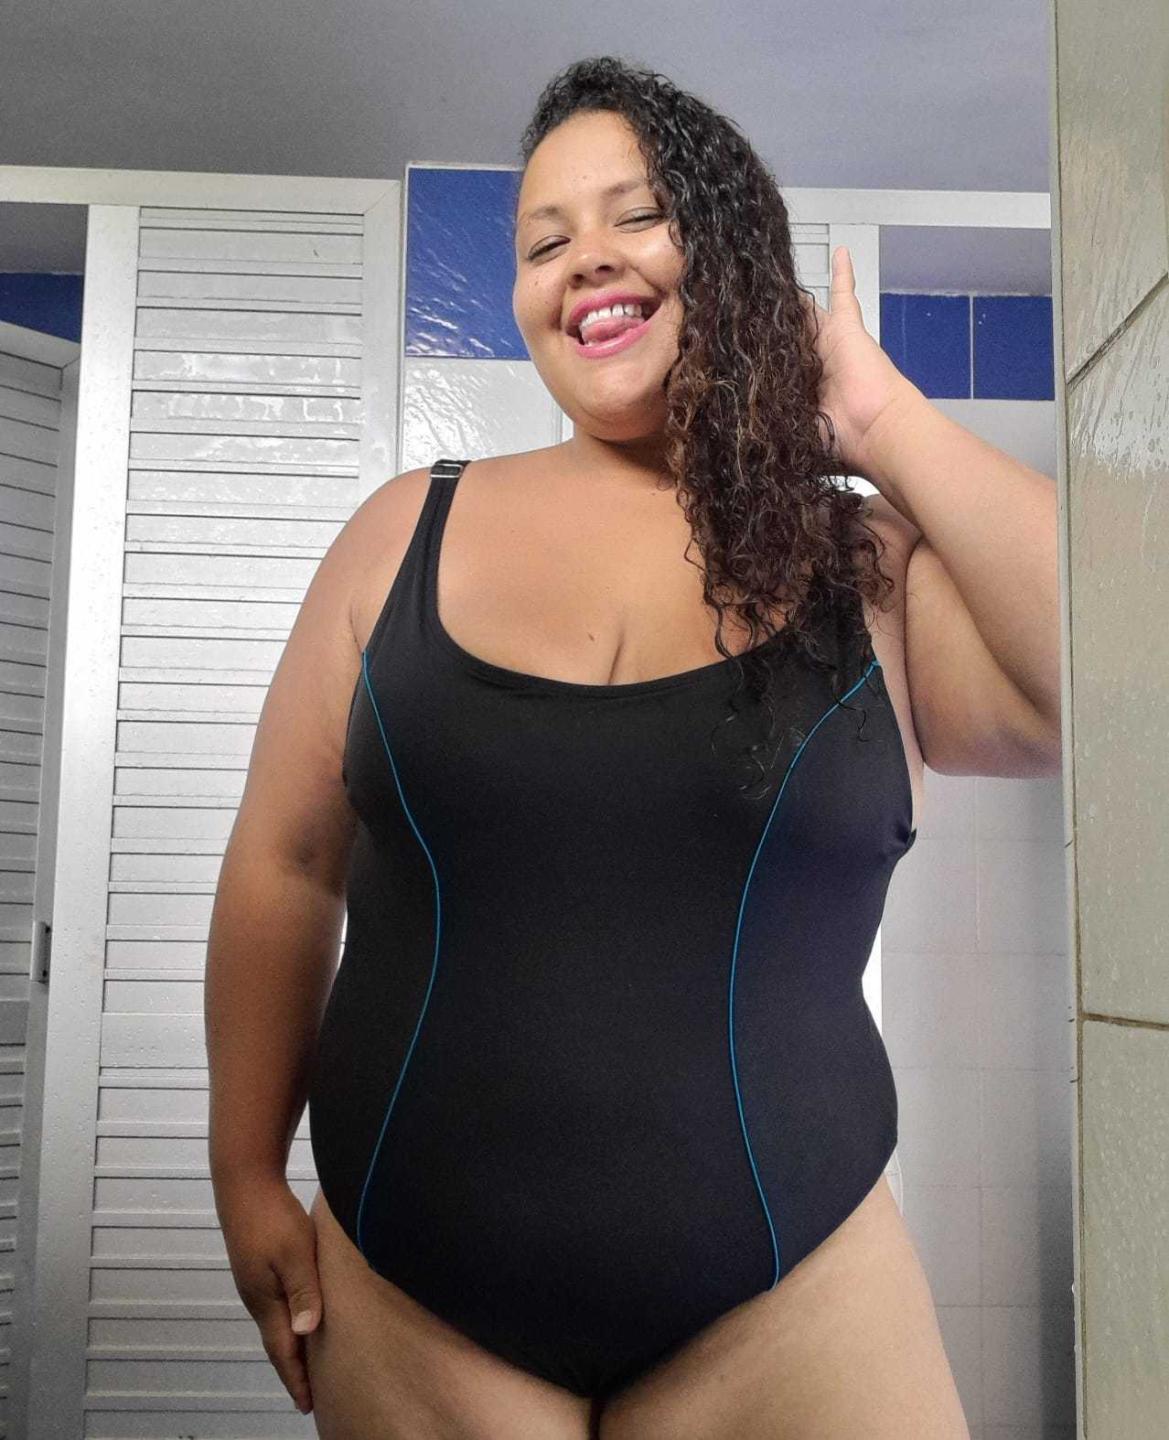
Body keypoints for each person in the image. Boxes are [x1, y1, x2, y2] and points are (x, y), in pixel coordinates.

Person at [205, 55, 1060, 1440]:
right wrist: (243, 1169)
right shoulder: (397, 534)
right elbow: (284, 867)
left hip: (795, 1307)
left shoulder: (862, 565)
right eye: (543, 242)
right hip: (415, 1309)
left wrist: (877, 422)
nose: (585, 259)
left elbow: (1114, 686)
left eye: (637, 215)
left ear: (727, 250)